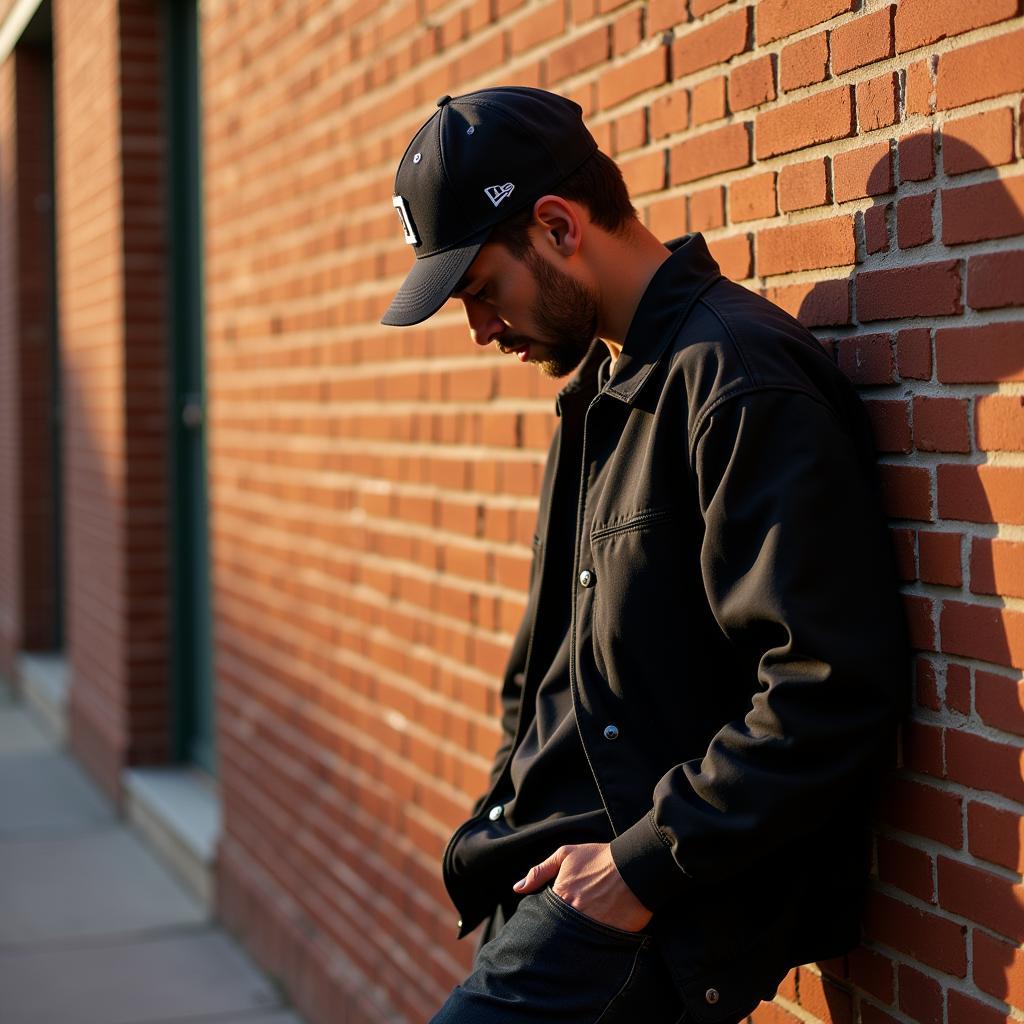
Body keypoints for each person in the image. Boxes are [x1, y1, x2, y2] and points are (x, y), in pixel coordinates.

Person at [380, 86, 909, 1024]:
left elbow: (828, 687)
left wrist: (634, 871)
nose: (481, 329)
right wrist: (505, 799)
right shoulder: (602, 392)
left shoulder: (733, 380)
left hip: (633, 909)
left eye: (480, 291)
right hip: (554, 887)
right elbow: (548, 667)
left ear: (556, 226)